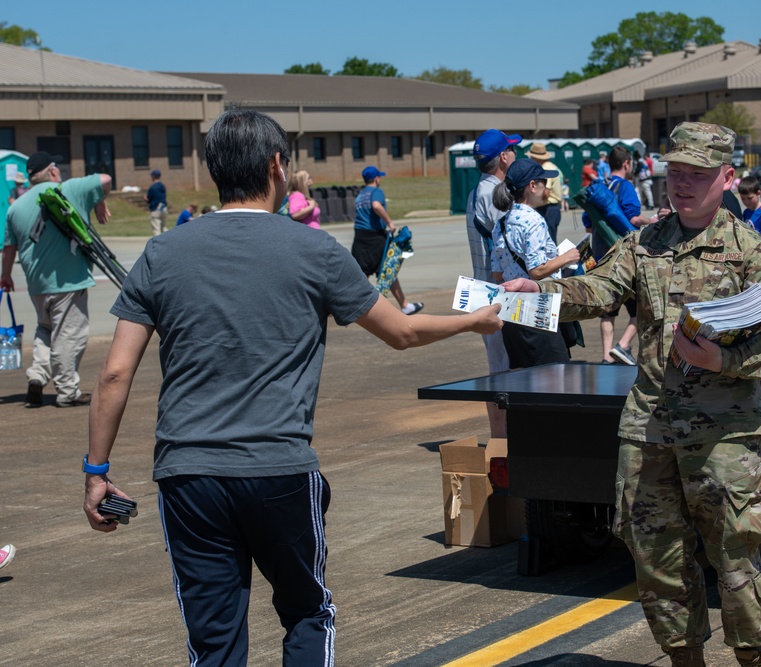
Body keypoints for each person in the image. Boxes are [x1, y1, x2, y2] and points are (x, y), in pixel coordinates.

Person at [82, 105, 502, 667]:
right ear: (278, 165)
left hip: (187, 474)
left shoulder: (162, 252)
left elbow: (115, 372)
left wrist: (96, 471)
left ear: (215, 172)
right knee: (307, 613)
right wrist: (475, 320)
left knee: (215, 638)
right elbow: (400, 332)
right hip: (277, 467)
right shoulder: (314, 249)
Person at [501, 122, 761, 667]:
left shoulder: (752, 251)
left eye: (698, 175)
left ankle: (755, 660)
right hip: (650, 431)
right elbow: (596, 289)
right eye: (676, 174)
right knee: (657, 560)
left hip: (726, 436)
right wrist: (537, 289)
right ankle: (684, 659)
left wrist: (725, 360)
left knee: (735, 562)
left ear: (728, 177)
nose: (683, 185)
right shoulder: (644, 245)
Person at [1, 151, 111, 408]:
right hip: (68, 280)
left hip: (37, 283)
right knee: (69, 334)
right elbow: (105, 179)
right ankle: (67, 391)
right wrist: (98, 200)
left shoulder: (15, 207)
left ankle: (38, 376)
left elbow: (9, 248)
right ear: (52, 171)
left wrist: (5, 275)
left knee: (46, 328)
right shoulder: (69, 189)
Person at [491, 158, 579, 369]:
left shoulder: (501, 223)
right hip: (537, 309)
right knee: (557, 378)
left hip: (511, 312)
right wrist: (567, 257)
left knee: (524, 382)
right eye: (543, 182)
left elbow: (497, 273)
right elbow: (537, 270)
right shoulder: (533, 220)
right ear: (532, 186)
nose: (546, 187)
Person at [466, 128, 520, 437]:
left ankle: (502, 440)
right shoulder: (495, 194)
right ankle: (504, 441)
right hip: (497, 292)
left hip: (481, 288)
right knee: (506, 371)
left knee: (499, 366)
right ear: (502, 157)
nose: (515, 155)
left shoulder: (477, 191)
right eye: (512, 150)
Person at [593, 146, 663, 366]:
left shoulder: (600, 186)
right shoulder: (625, 187)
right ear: (626, 164)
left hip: (601, 253)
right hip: (624, 255)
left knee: (608, 309)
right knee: (639, 306)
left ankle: (606, 355)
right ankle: (623, 345)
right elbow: (633, 219)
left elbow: (588, 224)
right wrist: (652, 221)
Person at [351, 166, 422, 314]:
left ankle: (404, 305)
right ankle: (400, 306)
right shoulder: (377, 192)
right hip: (375, 237)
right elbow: (376, 206)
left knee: (362, 272)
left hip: (360, 237)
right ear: (376, 178)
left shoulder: (361, 194)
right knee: (387, 270)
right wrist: (389, 222)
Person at [526, 142, 563, 242]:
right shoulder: (553, 166)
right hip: (553, 208)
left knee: (548, 240)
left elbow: (546, 192)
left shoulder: (545, 169)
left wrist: (533, 202)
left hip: (547, 208)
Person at [145, 169, 168, 236]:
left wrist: (146, 199)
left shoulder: (153, 187)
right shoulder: (162, 186)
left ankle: (158, 244)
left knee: (156, 228)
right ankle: (168, 240)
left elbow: (149, 199)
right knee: (164, 227)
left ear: (153, 176)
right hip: (164, 207)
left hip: (156, 208)